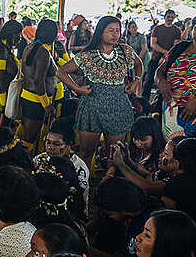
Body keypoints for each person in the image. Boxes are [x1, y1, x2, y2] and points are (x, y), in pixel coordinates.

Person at [56, 15, 143, 165]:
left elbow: (139, 64)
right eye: (111, 30)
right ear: (100, 32)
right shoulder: (88, 55)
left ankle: (109, 185)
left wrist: (136, 81)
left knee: (115, 153)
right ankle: (83, 185)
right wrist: (77, 89)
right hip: (92, 108)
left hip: (118, 108)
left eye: (118, 30)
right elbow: (61, 72)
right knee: (86, 152)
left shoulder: (125, 51)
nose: (115, 34)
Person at [15, 19, 63, 149]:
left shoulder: (29, 47)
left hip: (27, 97)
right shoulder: (43, 53)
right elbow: (38, 80)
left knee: (25, 135)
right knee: (29, 139)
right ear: (52, 35)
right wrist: (46, 105)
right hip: (36, 101)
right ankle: (23, 164)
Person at [33, 117, 89, 194]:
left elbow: (77, 194)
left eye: (56, 144)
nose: (50, 148)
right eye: (48, 142)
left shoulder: (79, 168)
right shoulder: (39, 159)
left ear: (70, 144)